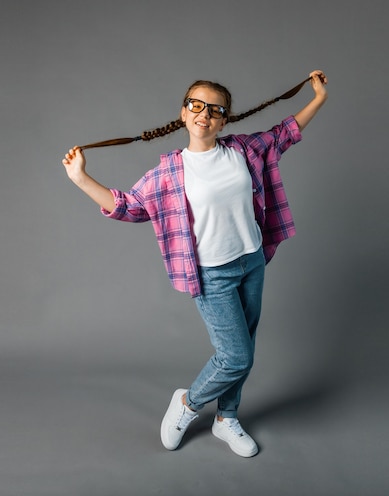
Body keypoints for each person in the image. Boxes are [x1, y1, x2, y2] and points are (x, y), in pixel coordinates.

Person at [62, 70, 328, 457]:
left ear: (224, 120)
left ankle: (227, 418)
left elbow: (284, 132)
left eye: (215, 109)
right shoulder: (170, 171)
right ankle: (187, 404)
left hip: (252, 260)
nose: (204, 113)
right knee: (235, 356)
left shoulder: (244, 150)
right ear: (184, 113)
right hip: (211, 273)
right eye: (196, 105)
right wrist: (80, 178)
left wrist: (318, 97)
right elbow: (128, 206)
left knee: (245, 348)